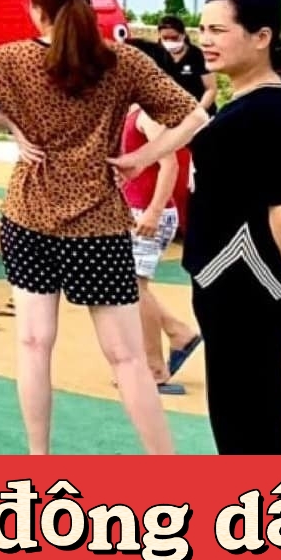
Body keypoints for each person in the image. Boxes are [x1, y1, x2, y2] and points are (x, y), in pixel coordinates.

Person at [0, 0, 208, 456]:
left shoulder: (11, 59)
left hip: (28, 215)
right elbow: (193, 116)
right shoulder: (122, 61)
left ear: (36, 9)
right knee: (127, 358)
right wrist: (141, 158)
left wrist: (12, 123)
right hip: (98, 223)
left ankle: (39, 460)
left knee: (34, 345)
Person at [114, 0, 281, 454]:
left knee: (247, 410)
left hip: (247, 279)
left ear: (262, 37)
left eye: (219, 30)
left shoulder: (268, 110)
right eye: (203, 29)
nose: (206, 40)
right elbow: (254, 189)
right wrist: (139, 160)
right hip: (231, 275)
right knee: (243, 406)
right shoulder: (248, 103)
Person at [121, 102, 198, 394]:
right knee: (130, 286)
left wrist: (154, 211)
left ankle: (154, 368)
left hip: (149, 212)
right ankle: (178, 332)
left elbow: (170, 164)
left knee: (134, 287)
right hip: (134, 209)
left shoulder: (147, 116)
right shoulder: (127, 112)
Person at [129, 14, 215, 112]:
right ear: (159, 36)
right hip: (170, 112)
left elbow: (211, 89)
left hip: (199, 109)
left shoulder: (198, 55)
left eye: (174, 38)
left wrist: (198, 111)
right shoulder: (155, 53)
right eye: (165, 38)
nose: (170, 42)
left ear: (183, 35)